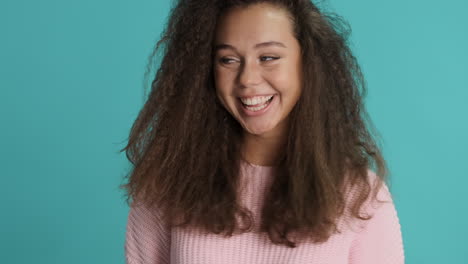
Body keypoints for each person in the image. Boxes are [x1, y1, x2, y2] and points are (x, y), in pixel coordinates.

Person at [120, 0, 405, 263]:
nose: (247, 79)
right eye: (228, 60)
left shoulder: (359, 196)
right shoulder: (167, 186)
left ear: (307, 63)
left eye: (268, 57)